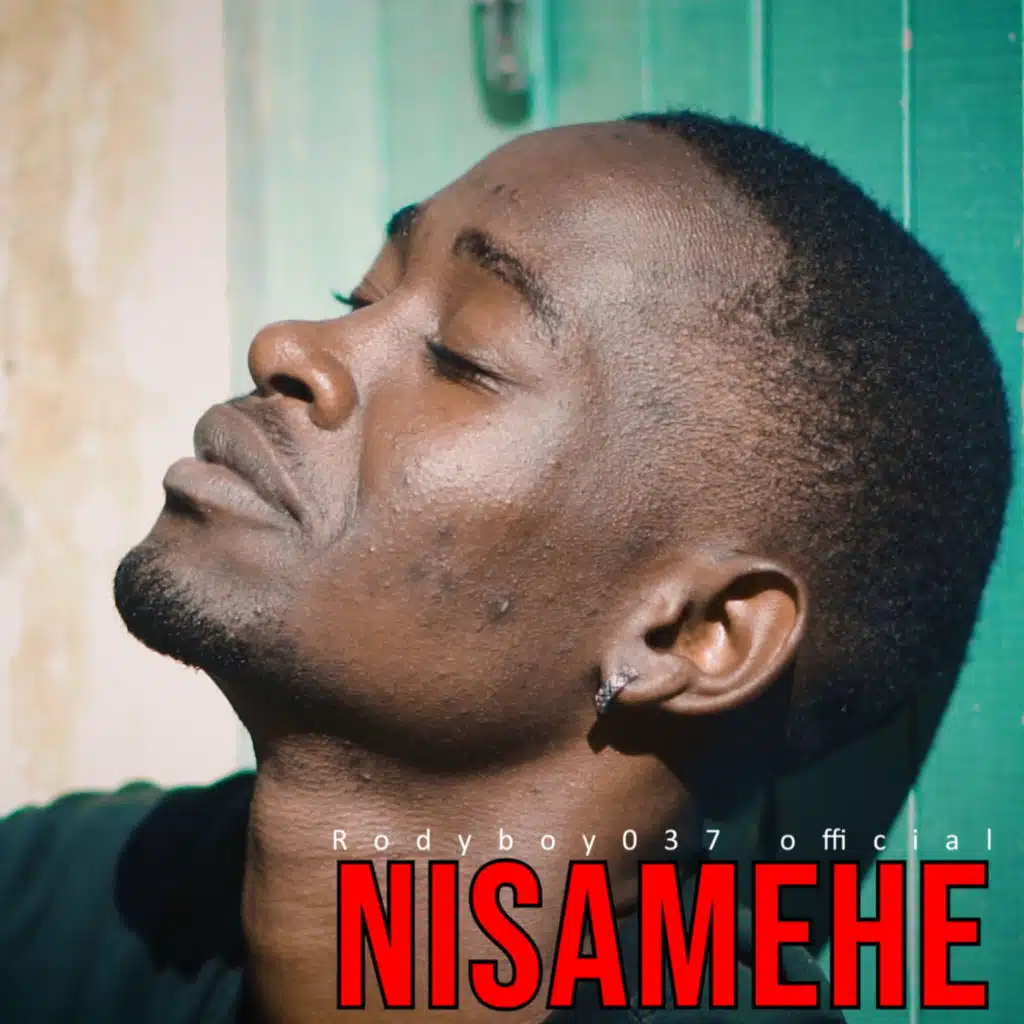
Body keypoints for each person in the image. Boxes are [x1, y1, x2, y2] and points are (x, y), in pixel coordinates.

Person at [0, 111, 1011, 1023]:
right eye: (358, 294)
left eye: (462, 354)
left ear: (690, 635)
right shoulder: (72, 900)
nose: (288, 346)